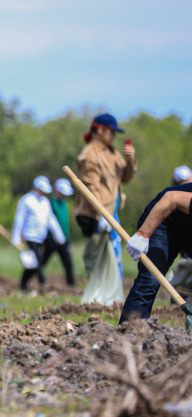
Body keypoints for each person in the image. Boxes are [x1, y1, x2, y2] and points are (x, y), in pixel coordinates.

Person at [72, 113, 136, 288]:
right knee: (99, 256)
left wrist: (130, 161)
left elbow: (126, 178)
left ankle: (114, 293)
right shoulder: (89, 155)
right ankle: (101, 296)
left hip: (111, 213)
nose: (113, 136)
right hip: (97, 215)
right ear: (100, 130)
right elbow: (91, 189)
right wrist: (101, 216)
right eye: (111, 132)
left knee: (114, 256)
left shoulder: (112, 152)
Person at [120, 182, 192, 322]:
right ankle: (129, 334)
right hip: (164, 222)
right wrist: (143, 234)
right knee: (150, 280)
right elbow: (172, 198)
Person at [13, 176, 66, 291]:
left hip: (41, 237)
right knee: (37, 261)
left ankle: (23, 283)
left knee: (37, 262)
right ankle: (44, 283)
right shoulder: (27, 200)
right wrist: (16, 236)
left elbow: (51, 219)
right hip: (30, 236)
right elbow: (19, 218)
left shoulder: (45, 202)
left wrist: (59, 235)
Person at [40, 177, 76, 287]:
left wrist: (68, 238)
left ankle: (71, 285)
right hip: (52, 239)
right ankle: (31, 280)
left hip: (64, 240)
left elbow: (65, 222)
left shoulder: (64, 203)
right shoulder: (50, 202)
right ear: (58, 191)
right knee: (43, 261)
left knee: (68, 263)